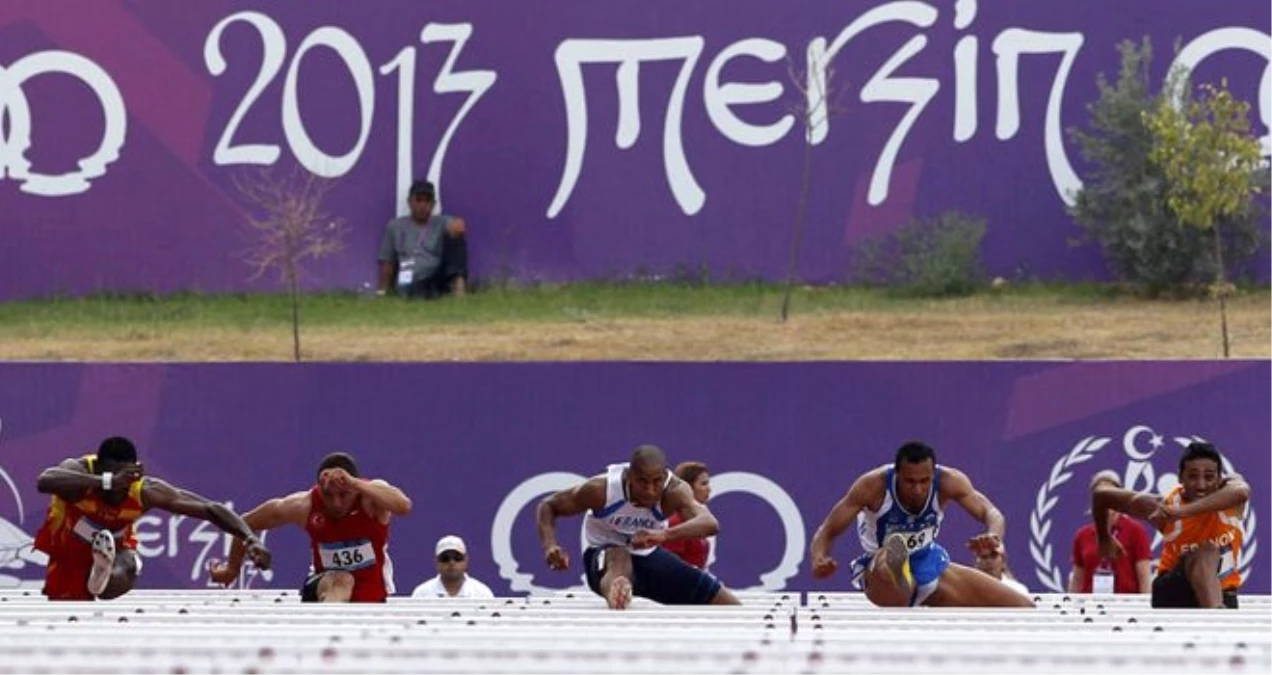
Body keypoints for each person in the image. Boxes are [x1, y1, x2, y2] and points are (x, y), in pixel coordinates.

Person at [33, 436, 271, 601]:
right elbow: (45, 481)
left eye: (123, 485)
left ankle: (101, 576)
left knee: (130, 564)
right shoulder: (80, 471)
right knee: (70, 617)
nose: (116, 494)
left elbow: (209, 508)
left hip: (113, 550)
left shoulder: (147, 491)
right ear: (99, 469)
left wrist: (250, 539)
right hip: (68, 553)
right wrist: (106, 482)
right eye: (112, 485)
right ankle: (97, 575)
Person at [809, 441, 1034, 607]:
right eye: (910, 482)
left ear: (932, 474)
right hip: (881, 570)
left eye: (924, 481)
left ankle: (918, 589)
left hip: (928, 563)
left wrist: (993, 536)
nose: (918, 489)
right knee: (893, 554)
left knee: (1023, 608)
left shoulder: (949, 481)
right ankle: (904, 582)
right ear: (897, 474)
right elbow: (828, 530)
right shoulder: (873, 486)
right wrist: (819, 558)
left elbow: (991, 512)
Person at [535, 444, 741, 609]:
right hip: (605, 555)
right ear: (629, 476)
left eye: (656, 482)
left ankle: (622, 590)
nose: (650, 491)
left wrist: (663, 535)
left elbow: (710, 523)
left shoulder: (675, 490)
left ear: (664, 477)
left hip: (648, 555)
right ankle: (618, 591)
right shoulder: (602, 489)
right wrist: (550, 545)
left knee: (727, 603)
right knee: (619, 555)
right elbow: (548, 505)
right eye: (642, 482)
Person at [210, 452, 411, 602]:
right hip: (323, 589)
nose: (336, 503)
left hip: (371, 598)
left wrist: (353, 483)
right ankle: (329, 638)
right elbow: (245, 523)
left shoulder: (370, 498)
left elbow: (403, 506)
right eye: (328, 496)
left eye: (343, 495)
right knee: (343, 579)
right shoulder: (304, 505)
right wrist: (232, 569)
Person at [1092, 441, 1250, 609]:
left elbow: (1242, 490)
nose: (1201, 485)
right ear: (1180, 478)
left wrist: (1182, 512)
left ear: (1219, 479)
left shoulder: (1232, 502)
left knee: (1209, 552)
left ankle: (1216, 612)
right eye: (1192, 476)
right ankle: (1216, 619)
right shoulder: (1162, 508)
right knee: (1207, 550)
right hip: (1174, 592)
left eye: (1209, 477)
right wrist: (1104, 537)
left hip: (1223, 593)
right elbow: (1101, 495)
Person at [376, 180, 468, 299]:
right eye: (418, 200)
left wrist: (456, 226)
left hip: (436, 276)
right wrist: (382, 292)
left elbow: (458, 225)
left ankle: (459, 291)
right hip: (411, 281)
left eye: (427, 201)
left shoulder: (440, 222)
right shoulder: (395, 226)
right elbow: (387, 262)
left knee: (456, 239)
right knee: (417, 290)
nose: (423, 206)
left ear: (433, 204)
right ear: (410, 202)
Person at [1070, 470, 1152, 594]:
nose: (1105, 503)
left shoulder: (1135, 531)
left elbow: (1144, 577)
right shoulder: (1082, 535)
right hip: (1089, 605)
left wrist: (1145, 609)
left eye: (1109, 497)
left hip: (1126, 605)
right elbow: (1077, 579)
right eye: (1100, 498)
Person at [661, 461, 711, 570]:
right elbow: (670, 567)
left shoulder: (696, 520)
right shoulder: (676, 522)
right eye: (703, 484)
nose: (709, 489)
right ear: (688, 488)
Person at [410, 535, 495, 599]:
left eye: (457, 557)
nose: (451, 562)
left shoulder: (482, 594)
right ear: (436, 562)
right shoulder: (421, 594)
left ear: (466, 560)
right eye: (445, 558)